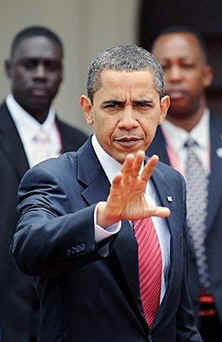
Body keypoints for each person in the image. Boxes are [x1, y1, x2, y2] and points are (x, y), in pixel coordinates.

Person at [11, 44, 202, 342]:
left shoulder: (171, 183)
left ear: (162, 109)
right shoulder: (54, 177)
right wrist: (103, 218)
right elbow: (28, 248)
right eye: (113, 106)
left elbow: (181, 314)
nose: (128, 121)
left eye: (142, 105)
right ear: (88, 110)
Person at [0, 26, 87, 342]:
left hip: (68, 316)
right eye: (30, 64)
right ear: (9, 69)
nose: (40, 74)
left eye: (50, 66)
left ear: (62, 73)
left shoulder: (81, 145)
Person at [150, 27, 222, 341]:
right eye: (164, 67)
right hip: (167, 321)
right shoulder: (135, 151)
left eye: (186, 65)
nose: (175, 75)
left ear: (206, 75)